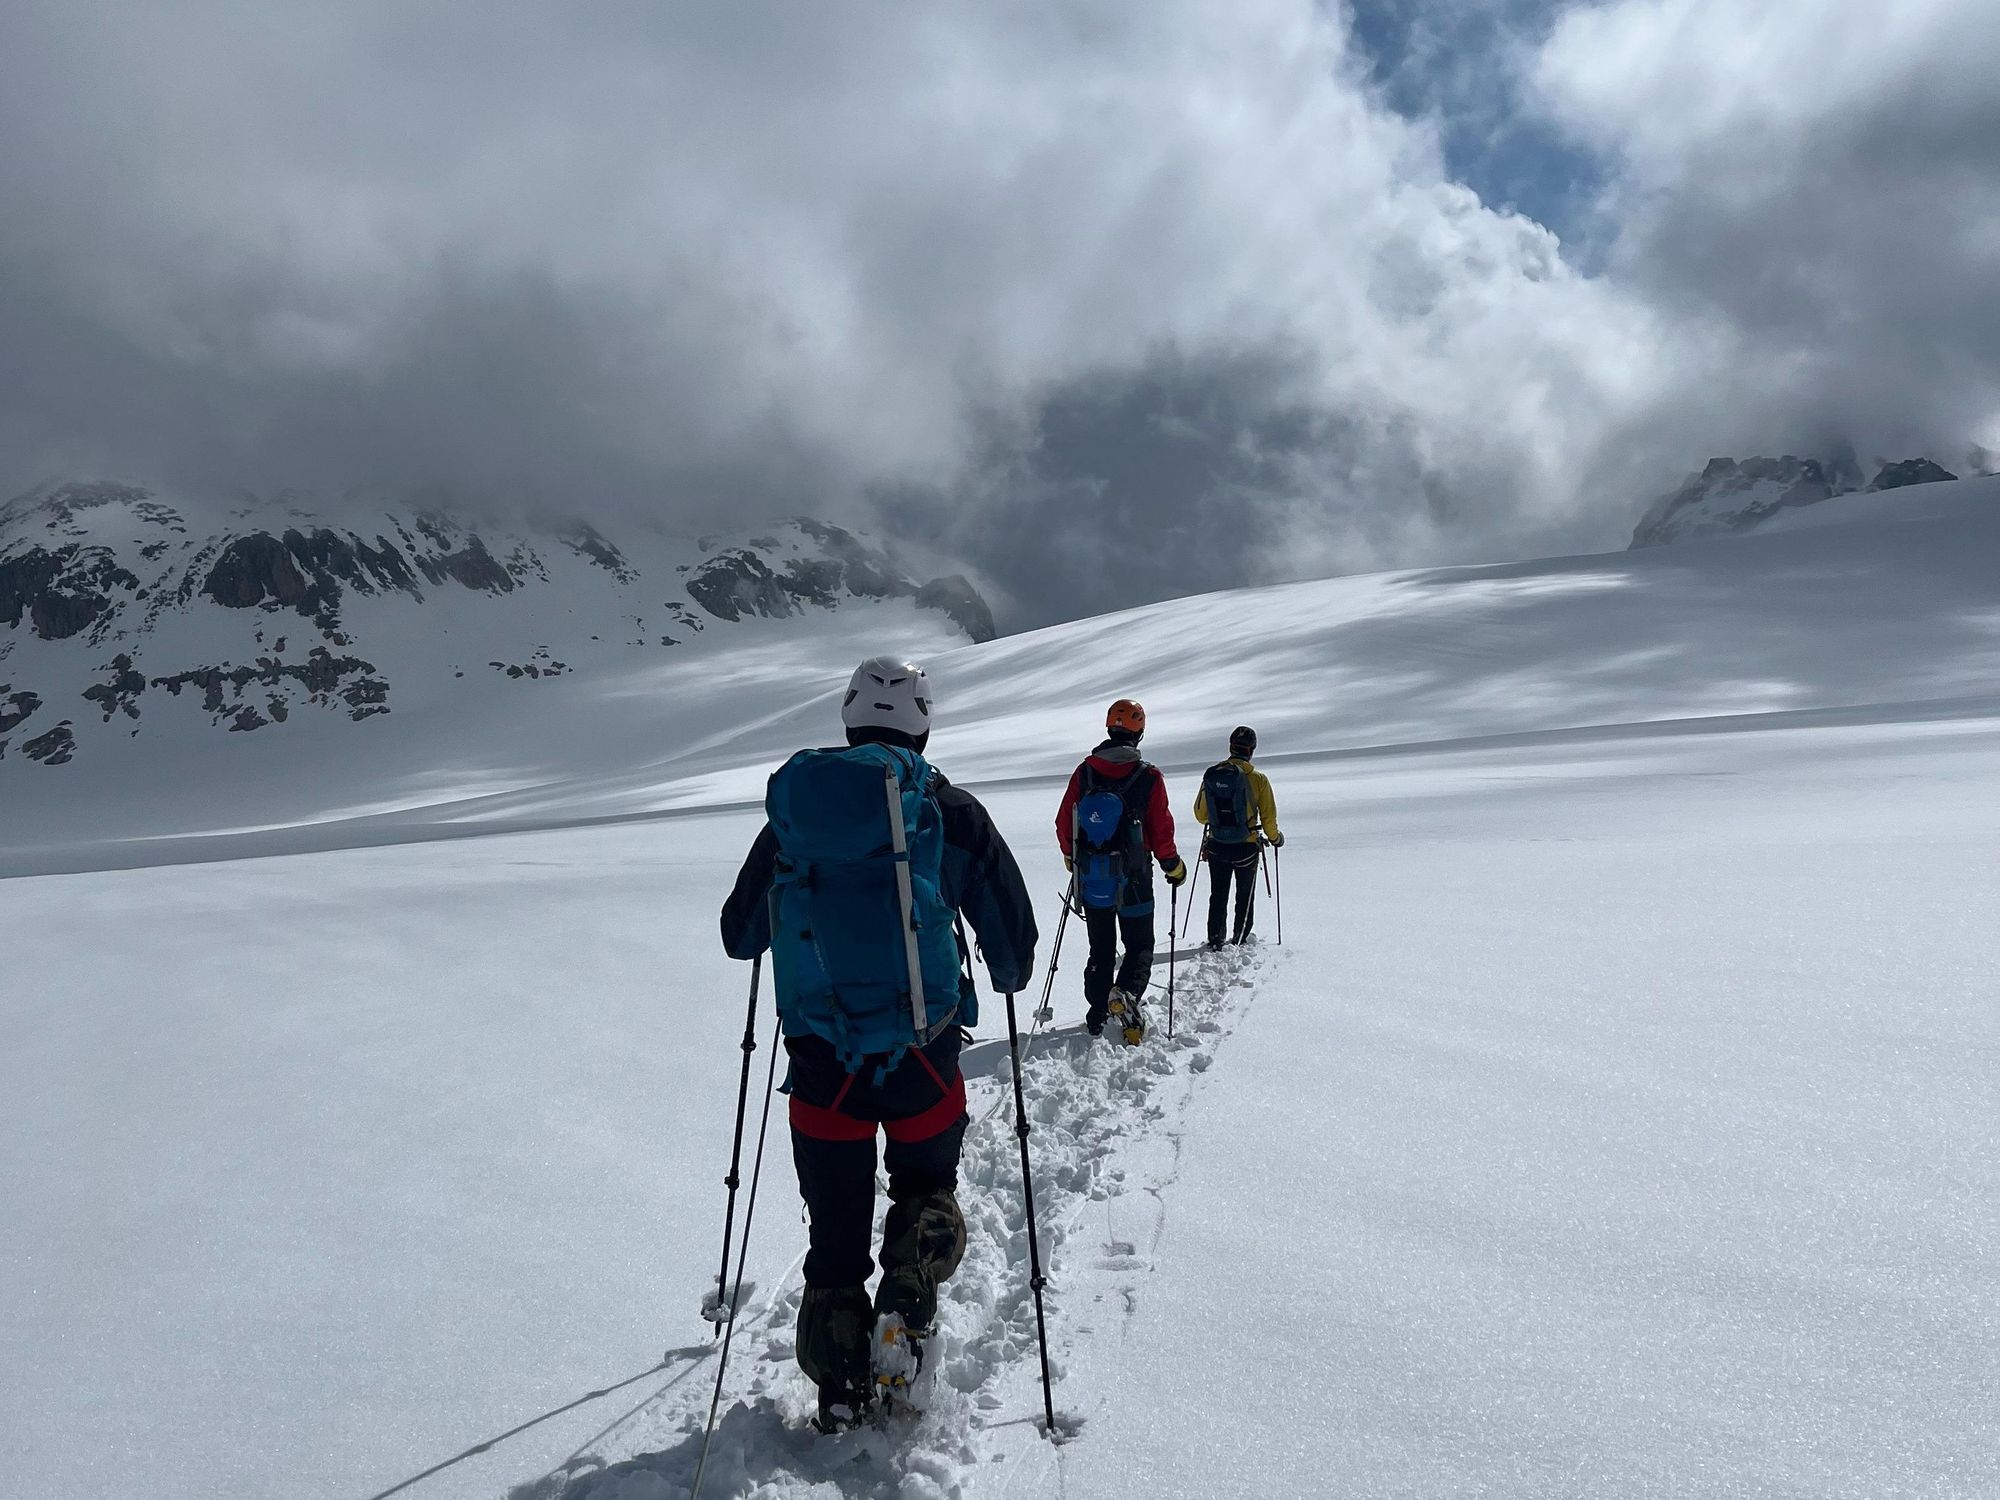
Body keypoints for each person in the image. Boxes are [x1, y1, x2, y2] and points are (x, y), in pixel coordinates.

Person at [720, 655, 1037, 1431]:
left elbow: (740, 935)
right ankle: (907, 1298)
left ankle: (838, 1389)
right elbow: (1015, 951)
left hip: (821, 1068)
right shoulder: (949, 810)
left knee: (833, 1240)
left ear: (849, 718)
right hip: (924, 1062)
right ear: (923, 722)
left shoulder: (795, 817)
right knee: (926, 1198)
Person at [1054, 698, 1186, 1041]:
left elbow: (1064, 821)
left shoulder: (1084, 772)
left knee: (1100, 947)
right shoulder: (1149, 776)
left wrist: (1072, 857)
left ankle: (1098, 1012)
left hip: (1093, 876)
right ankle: (1125, 995)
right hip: (1136, 878)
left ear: (1109, 727)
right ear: (1139, 732)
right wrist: (1172, 865)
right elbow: (1161, 829)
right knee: (1140, 944)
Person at [1193, 724, 1283, 949]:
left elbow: (1200, 814)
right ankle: (1241, 937)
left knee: (1218, 893)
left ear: (1231, 746)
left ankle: (1215, 939)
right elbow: (1269, 817)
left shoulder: (1213, 774)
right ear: (1251, 750)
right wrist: (1275, 838)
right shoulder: (1259, 779)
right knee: (1245, 896)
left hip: (1217, 845)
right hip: (1246, 846)